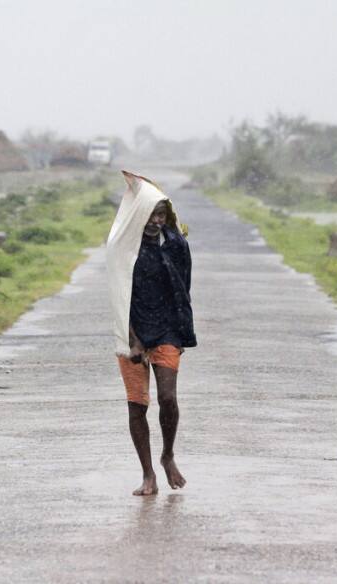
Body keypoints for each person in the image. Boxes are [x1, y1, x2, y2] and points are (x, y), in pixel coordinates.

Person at [105, 171, 196, 496]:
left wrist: (182, 333)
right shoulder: (121, 248)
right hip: (132, 333)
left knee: (168, 398)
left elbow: (183, 289)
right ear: (138, 216)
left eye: (161, 214)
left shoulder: (176, 245)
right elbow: (119, 296)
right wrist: (133, 340)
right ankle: (148, 475)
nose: (156, 220)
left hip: (167, 330)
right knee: (137, 406)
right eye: (150, 214)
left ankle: (167, 455)